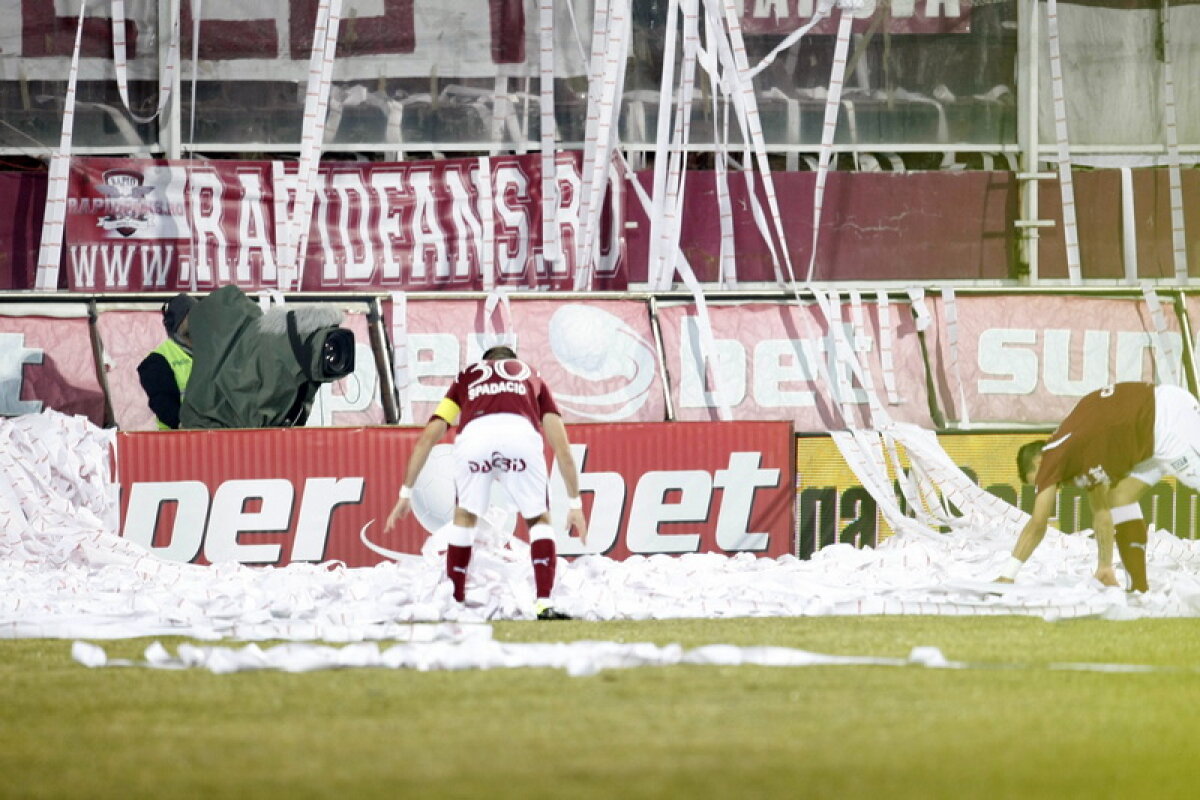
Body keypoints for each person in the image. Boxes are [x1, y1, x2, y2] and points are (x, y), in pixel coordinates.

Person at [385, 345, 588, 619]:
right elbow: (562, 447)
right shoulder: (532, 375)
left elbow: (430, 434)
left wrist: (405, 492)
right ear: (512, 362)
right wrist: (575, 503)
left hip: (475, 437)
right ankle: (543, 603)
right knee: (538, 521)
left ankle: (456, 601)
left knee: (464, 519)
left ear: (486, 362)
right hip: (520, 435)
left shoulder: (467, 376)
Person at [997, 381, 1200, 592]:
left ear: (1039, 463)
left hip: (1167, 420)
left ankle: (1137, 587)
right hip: (1151, 435)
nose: (1050, 488)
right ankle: (1139, 590)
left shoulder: (1053, 456)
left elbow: (1038, 524)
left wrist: (1007, 576)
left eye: (1039, 481)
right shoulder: (1076, 455)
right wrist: (1105, 566)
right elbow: (1102, 512)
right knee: (1120, 498)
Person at [137, 293, 196, 430]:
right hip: (177, 442)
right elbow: (164, 406)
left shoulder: (212, 353)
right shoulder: (156, 362)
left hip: (215, 438)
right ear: (178, 321)